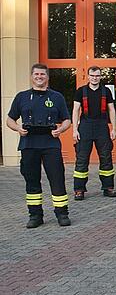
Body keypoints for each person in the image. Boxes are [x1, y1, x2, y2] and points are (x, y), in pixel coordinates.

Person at [6, 63, 72, 228]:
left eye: (42, 74)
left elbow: (67, 120)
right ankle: (35, 215)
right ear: (31, 76)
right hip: (29, 144)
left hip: (51, 144)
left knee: (57, 180)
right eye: (36, 74)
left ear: (47, 77)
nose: (39, 77)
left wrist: (61, 129)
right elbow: (9, 120)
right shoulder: (21, 97)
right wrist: (18, 129)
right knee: (32, 181)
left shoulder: (57, 97)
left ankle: (62, 214)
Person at [72, 66, 116, 200]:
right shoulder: (80, 91)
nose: (95, 78)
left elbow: (112, 110)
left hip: (101, 127)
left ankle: (108, 188)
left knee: (106, 157)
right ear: (88, 76)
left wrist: (114, 128)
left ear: (100, 76)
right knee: (82, 159)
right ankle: (79, 190)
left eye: (97, 76)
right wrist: (74, 130)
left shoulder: (106, 91)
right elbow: (75, 110)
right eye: (92, 75)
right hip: (85, 127)